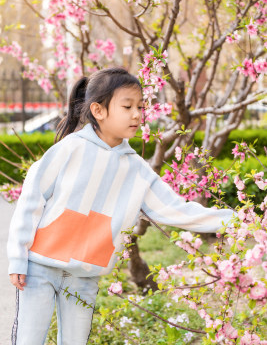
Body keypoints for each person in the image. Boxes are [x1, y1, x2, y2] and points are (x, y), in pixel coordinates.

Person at [7, 67, 234, 345]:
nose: (137, 114)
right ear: (98, 110)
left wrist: (237, 221)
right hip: (39, 267)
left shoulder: (137, 169)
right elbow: (31, 200)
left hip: (85, 276)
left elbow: (176, 209)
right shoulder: (68, 150)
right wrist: (18, 257)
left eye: (140, 106)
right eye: (127, 106)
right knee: (28, 340)